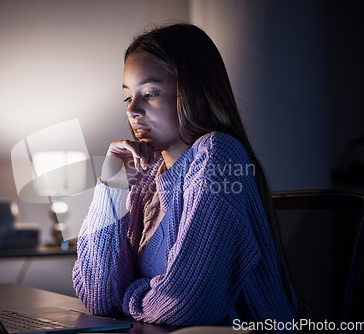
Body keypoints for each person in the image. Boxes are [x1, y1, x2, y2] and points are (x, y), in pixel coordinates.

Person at [72, 23, 297, 328]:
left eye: (149, 93)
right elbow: (98, 298)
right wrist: (112, 186)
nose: (133, 110)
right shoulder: (146, 179)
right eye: (128, 97)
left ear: (193, 92)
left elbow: (186, 305)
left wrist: (128, 296)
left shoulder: (219, 155)